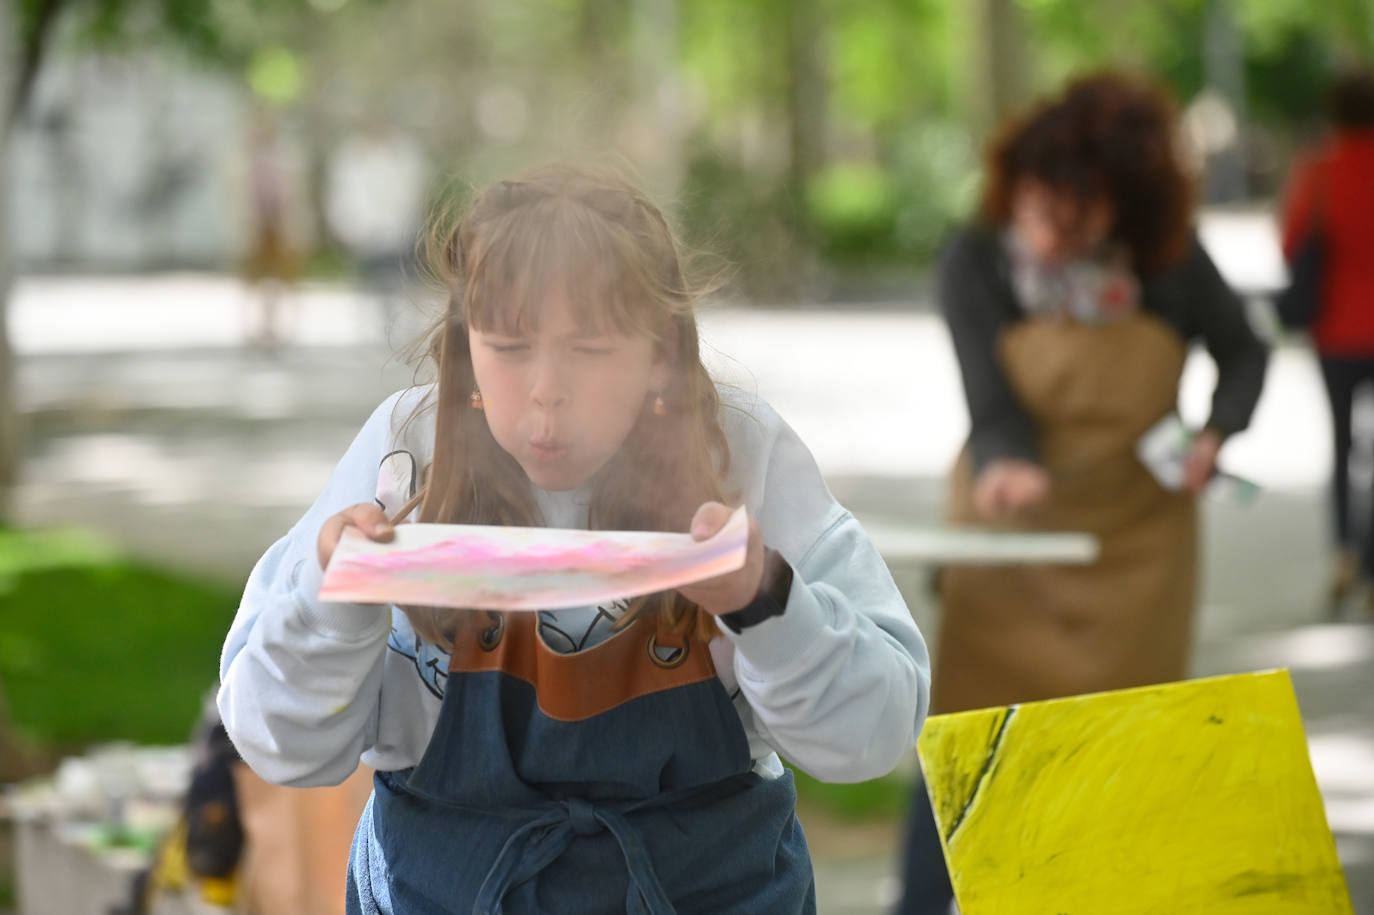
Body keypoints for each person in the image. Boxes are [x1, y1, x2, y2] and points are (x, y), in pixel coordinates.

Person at [217, 163, 930, 914]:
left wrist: (764, 602)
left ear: (661, 352)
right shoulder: (404, 455)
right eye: (510, 347)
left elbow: (871, 736)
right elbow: (279, 742)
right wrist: (335, 599)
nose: (545, 388)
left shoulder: (741, 457)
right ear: (465, 348)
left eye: (589, 349)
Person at [896, 72, 1269, 914]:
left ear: (1127, 208)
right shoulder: (974, 260)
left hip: (1137, 544)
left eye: (1080, 213)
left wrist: (1214, 434)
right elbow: (988, 398)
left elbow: (1246, 351)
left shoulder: (1171, 265)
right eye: (1039, 206)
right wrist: (1006, 461)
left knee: (1120, 748)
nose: (1053, 231)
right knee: (970, 736)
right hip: (1011, 540)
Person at [1279, 67, 1374, 617]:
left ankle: (1343, 551)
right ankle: (1373, 558)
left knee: (1340, 444)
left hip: (1335, 329)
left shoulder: (1319, 171)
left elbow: (1292, 242)